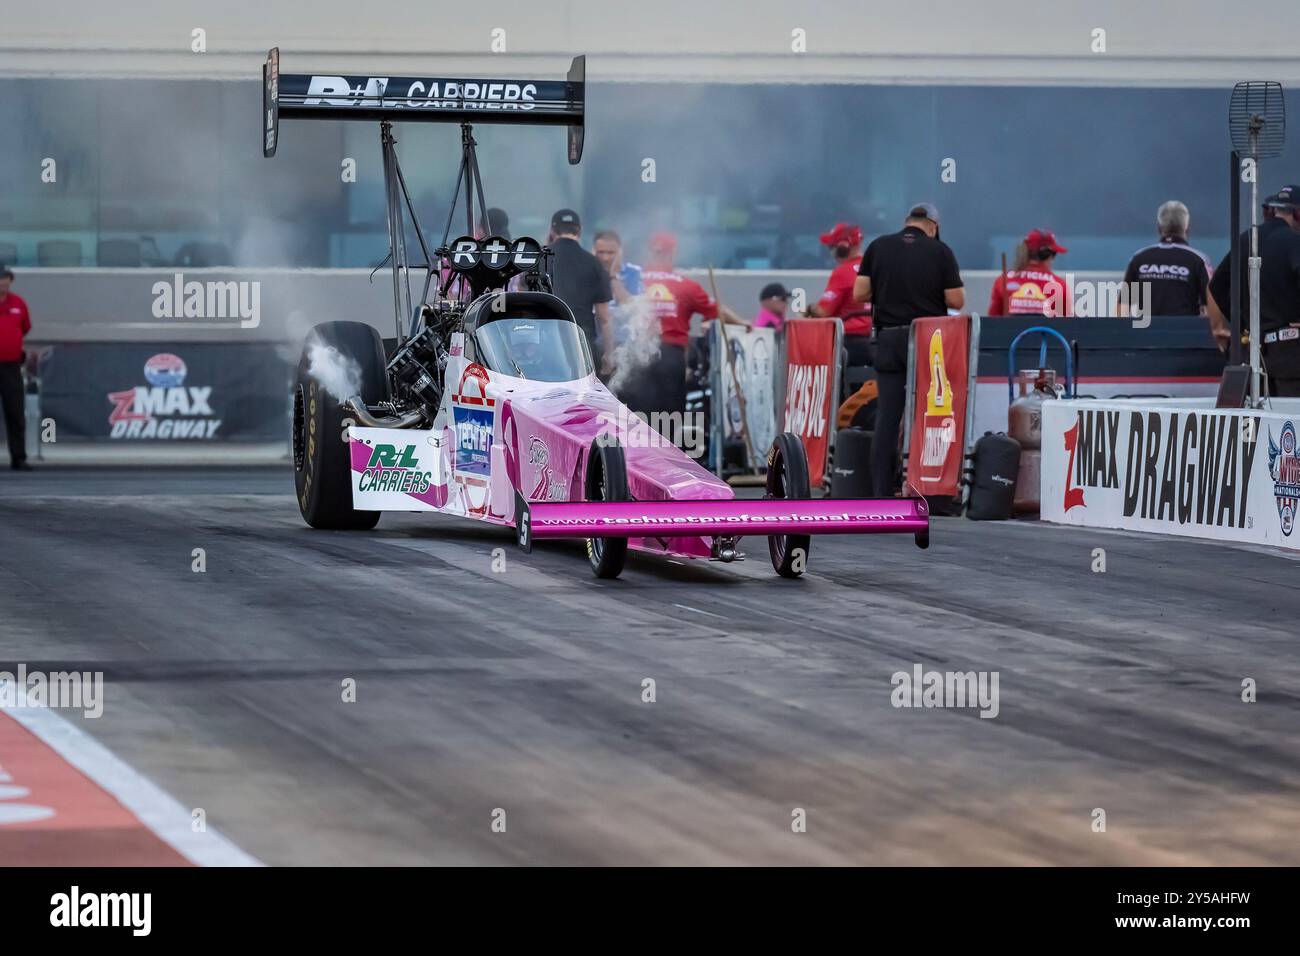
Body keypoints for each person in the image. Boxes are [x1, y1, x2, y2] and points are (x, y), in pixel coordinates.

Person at [852, 202, 964, 496]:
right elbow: (956, 300)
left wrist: (891, 287)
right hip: (927, 342)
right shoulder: (941, 252)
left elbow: (859, 292)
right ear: (933, 226)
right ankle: (924, 485)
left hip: (888, 338)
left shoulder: (878, 247)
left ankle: (880, 491)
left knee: (888, 416)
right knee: (929, 413)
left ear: (907, 221)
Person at [625, 231, 748, 424]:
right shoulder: (686, 286)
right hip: (670, 356)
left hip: (637, 354)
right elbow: (718, 310)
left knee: (635, 416)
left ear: (650, 252)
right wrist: (743, 323)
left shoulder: (632, 281)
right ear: (672, 253)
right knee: (670, 418)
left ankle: (634, 453)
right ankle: (668, 452)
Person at [1207, 185, 1300, 396]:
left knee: (1256, 425)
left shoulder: (1247, 239)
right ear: (1297, 214)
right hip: (1293, 361)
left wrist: (1240, 323)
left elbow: (1216, 286)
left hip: (1251, 358)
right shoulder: (1295, 243)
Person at [547, 209, 613, 374]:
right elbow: (604, 318)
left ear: (553, 230)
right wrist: (609, 354)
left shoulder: (540, 259)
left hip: (546, 345)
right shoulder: (594, 263)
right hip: (582, 345)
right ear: (579, 230)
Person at [1120, 201, 1213, 317]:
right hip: (1185, 333)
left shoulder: (1139, 259)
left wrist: (1124, 334)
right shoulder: (1198, 260)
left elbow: (1122, 306)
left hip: (1145, 333)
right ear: (1187, 228)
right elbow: (1211, 308)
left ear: (1159, 228)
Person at [809, 222, 873, 364]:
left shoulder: (843, 272)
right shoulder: (875, 266)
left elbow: (822, 312)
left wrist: (808, 310)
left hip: (848, 343)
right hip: (876, 342)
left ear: (843, 247)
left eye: (831, 247)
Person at [987, 229, 1071, 317]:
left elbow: (992, 322)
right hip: (1044, 330)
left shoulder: (1003, 281)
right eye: (1054, 254)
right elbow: (1068, 326)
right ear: (1046, 255)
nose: (1053, 260)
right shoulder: (1059, 285)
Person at [0, 267, 32, 470]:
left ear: (10, 280)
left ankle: (18, 457)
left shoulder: (18, 303)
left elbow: (25, 327)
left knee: (15, 412)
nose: (2, 282)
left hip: (11, 367)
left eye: (5, 278)